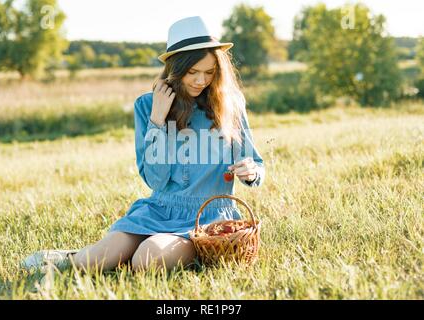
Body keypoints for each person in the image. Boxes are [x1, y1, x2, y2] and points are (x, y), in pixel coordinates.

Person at [21, 16, 265, 274]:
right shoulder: (147, 106)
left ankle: (136, 255)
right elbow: (156, 181)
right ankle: (74, 257)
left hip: (207, 218)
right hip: (159, 209)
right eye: (192, 72)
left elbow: (255, 164)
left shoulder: (230, 104)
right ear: (175, 68)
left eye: (209, 72)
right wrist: (157, 120)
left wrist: (251, 172)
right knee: (93, 262)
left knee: (146, 260)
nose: (200, 80)